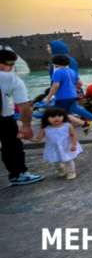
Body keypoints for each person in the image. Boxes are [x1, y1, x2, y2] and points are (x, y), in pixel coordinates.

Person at [0, 49, 43, 186]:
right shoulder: (10, 79)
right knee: (12, 146)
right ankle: (18, 174)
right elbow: (24, 105)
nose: (10, 68)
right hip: (4, 118)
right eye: (9, 65)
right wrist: (26, 126)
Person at [44, 54, 92, 130]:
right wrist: (72, 88)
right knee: (75, 109)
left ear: (56, 63)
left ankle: (62, 128)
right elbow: (80, 83)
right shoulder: (72, 71)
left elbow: (55, 86)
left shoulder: (57, 73)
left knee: (58, 113)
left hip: (62, 97)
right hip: (73, 94)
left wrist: (48, 97)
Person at [28, 107, 83, 180]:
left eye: (60, 116)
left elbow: (73, 135)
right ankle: (60, 168)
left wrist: (74, 144)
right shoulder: (45, 128)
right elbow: (38, 138)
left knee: (68, 160)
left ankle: (71, 171)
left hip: (66, 146)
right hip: (53, 148)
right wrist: (29, 138)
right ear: (47, 118)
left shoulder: (67, 126)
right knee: (54, 162)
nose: (57, 118)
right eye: (53, 117)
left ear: (63, 116)